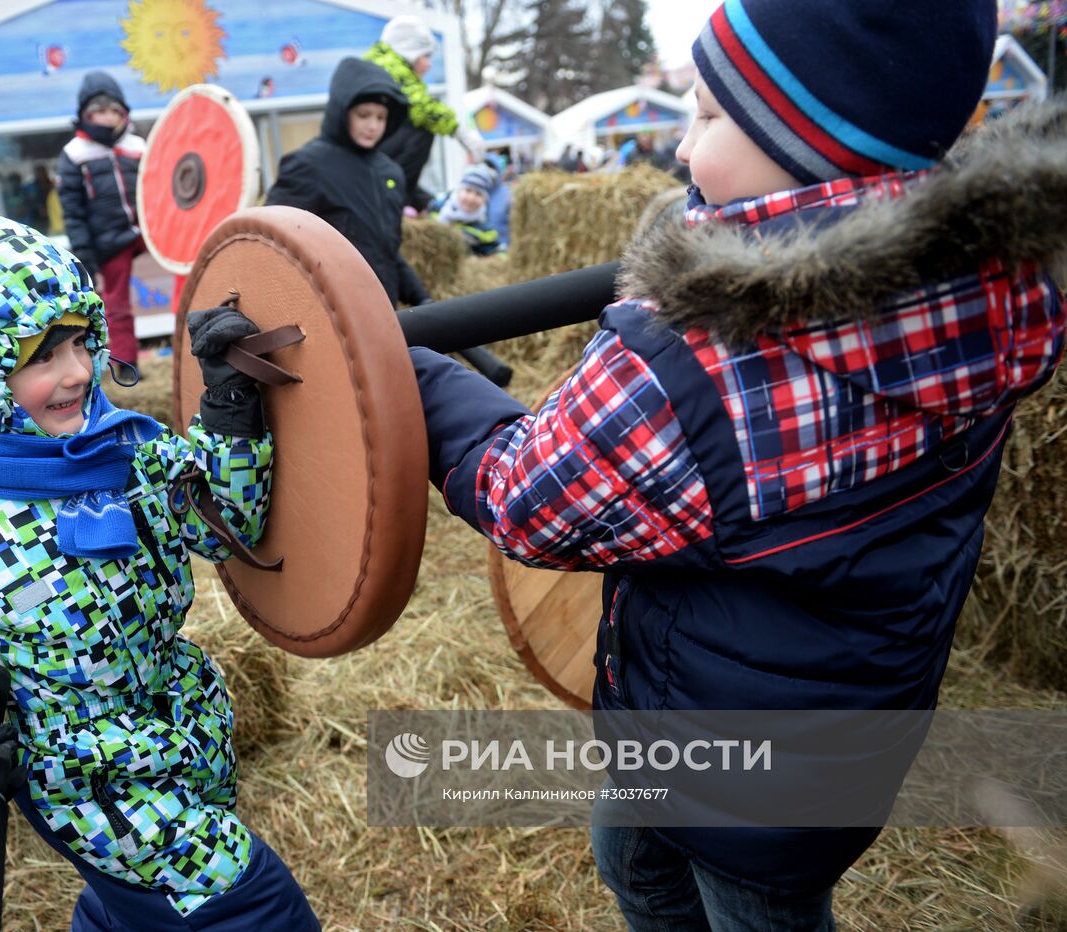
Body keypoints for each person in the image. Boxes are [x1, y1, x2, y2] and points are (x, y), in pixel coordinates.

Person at [408, 0, 1065, 927]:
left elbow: (530, 495)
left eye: (711, 118)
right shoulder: (991, 289)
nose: (681, 150)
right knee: (635, 858)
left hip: (733, 767)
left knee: (748, 907)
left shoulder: (705, 358)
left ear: (811, 149)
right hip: (846, 732)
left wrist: (413, 377)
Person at [0, 210, 319, 931]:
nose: (78, 371)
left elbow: (223, 525)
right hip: (90, 784)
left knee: (133, 913)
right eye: (41, 357)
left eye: (80, 342)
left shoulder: (119, 450)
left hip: (182, 729)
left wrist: (230, 403)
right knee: (254, 910)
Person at [265, 56, 429, 308]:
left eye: (381, 117)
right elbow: (272, 245)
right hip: (330, 315)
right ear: (342, 111)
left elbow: (386, 253)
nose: (373, 126)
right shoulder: (307, 165)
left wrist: (423, 300)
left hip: (383, 313)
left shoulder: (390, 172)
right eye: (364, 115)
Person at [57, 70, 146, 382]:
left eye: (112, 110)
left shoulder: (139, 146)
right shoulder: (74, 154)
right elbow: (73, 212)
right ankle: (127, 365)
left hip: (148, 232)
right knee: (116, 306)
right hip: (109, 241)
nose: (106, 118)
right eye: (98, 111)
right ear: (85, 115)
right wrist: (85, 254)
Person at [365, 15, 486, 211]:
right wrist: (460, 131)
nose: (429, 64)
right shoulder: (390, 66)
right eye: (426, 56)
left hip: (374, 158)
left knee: (420, 193)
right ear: (408, 51)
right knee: (422, 131)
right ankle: (397, 199)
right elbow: (423, 109)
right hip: (369, 160)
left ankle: (422, 202)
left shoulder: (383, 63)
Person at [427, 164, 502, 256]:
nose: (471, 198)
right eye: (468, 190)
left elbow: (495, 253)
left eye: (478, 194)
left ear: (484, 200)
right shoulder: (436, 209)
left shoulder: (485, 229)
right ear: (459, 190)